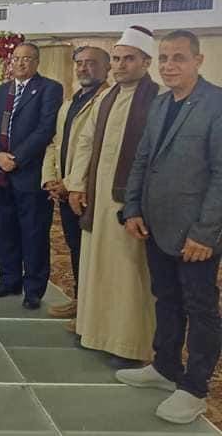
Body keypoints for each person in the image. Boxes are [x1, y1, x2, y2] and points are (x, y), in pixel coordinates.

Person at [117, 30, 222, 425]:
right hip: (156, 225)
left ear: (198, 60)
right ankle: (165, 367)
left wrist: (205, 233)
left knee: (201, 308)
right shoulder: (161, 104)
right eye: (163, 58)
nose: (169, 65)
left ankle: (194, 389)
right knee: (166, 298)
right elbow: (143, 159)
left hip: (197, 233)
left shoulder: (216, 104)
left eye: (178, 57)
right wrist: (132, 208)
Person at [67, 26, 160, 367]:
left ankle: (128, 346)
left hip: (131, 205)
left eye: (128, 59)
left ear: (146, 62)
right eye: (117, 59)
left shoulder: (157, 99)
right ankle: (94, 332)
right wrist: (76, 184)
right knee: (96, 267)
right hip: (98, 200)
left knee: (128, 275)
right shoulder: (105, 98)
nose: (120, 65)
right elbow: (85, 142)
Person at [0, 43, 64, 309]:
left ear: (37, 62)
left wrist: (16, 158)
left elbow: (45, 129)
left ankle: (34, 289)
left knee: (33, 234)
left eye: (26, 58)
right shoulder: (1, 91)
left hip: (29, 175)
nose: (20, 63)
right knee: (4, 230)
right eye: (16, 58)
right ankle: (9, 280)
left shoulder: (49, 89)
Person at [42, 46, 110, 320]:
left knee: (94, 254)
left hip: (88, 192)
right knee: (76, 247)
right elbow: (55, 143)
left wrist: (70, 183)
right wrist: (50, 178)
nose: (83, 68)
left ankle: (93, 313)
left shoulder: (108, 102)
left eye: (91, 63)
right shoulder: (71, 103)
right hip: (66, 190)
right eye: (79, 63)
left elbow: (97, 152)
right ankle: (80, 302)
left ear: (107, 67)